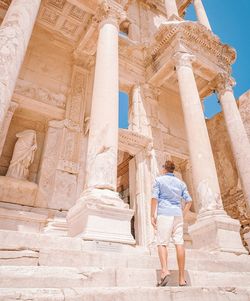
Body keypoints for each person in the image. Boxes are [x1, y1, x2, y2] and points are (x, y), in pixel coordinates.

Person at [151, 160, 192, 287]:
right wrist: (183, 214)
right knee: (179, 243)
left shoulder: (159, 180)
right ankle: (181, 278)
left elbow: (154, 198)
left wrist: (152, 215)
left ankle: (164, 270)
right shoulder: (181, 183)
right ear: (173, 170)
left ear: (164, 168)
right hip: (177, 214)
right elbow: (189, 201)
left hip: (164, 214)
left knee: (162, 243)